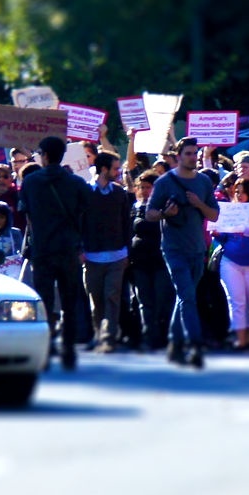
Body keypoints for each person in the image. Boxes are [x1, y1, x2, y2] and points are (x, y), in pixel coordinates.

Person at [147, 137, 220, 369]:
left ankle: (174, 343)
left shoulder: (204, 182)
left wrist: (199, 204)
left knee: (184, 298)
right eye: (188, 153)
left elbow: (214, 216)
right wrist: (165, 213)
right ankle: (195, 345)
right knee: (187, 296)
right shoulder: (164, 182)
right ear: (178, 156)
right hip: (174, 248)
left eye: (195, 153)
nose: (193, 157)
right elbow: (149, 213)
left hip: (197, 249)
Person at [19, 137, 91, 371]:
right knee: (70, 302)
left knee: (44, 302)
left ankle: (46, 348)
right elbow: (87, 211)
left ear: (46, 155)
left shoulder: (30, 182)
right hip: (69, 249)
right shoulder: (75, 182)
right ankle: (68, 348)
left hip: (43, 250)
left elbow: (27, 215)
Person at [82, 152, 133, 354]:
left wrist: (127, 250)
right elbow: (79, 222)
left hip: (117, 256)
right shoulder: (85, 192)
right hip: (92, 256)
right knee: (96, 299)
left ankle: (109, 337)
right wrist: (80, 249)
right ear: (103, 169)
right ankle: (98, 333)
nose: (118, 171)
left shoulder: (119, 194)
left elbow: (126, 223)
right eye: (115, 168)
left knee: (112, 296)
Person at [217, 179, 249, 352]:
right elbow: (224, 238)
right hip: (231, 262)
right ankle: (241, 340)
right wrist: (217, 233)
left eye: (242, 191)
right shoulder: (229, 211)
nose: (239, 195)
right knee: (237, 300)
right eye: (236, 191)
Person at [128, 174, 171, 351]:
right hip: (139, 261)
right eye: (142, 187)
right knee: (144, 301)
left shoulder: (165, 208)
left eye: (149, 187)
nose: (146, 191)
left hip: (160, 260)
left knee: (162, 300)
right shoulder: (134, 208)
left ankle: (163, 334)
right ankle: (148, 336)